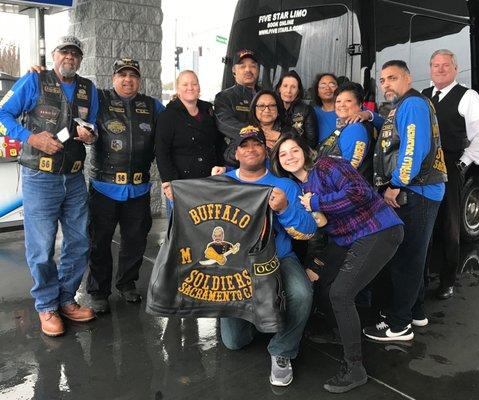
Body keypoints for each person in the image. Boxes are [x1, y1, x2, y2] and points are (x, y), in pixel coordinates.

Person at [271, 133, 404, 393]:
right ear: (278, 161)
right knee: (322, 283)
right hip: (345, 239)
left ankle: (355, 368)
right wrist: (316, 264)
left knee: (341, 294)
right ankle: (338, 333)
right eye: (283, 154)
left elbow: (360, 192)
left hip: (377, 229)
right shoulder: (298, 188)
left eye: (294, 150)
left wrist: (317, 202)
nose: (289, 156)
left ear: (305, 150)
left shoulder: (328, 165)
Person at [0, 35, 98, 336]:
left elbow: (91, 126)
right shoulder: (34, 80)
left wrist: (90, 137)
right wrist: (31, 138)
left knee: (79, 242)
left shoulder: (88, 88)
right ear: (55, 55)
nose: (70, 57)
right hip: (40, 178)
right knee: (41, 247)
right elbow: (2, 113)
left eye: (75, 53)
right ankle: (46, 305)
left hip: (75, 177)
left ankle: (67, 300)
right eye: (64, 52)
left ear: (80, 59)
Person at [211, 126, 317, 387]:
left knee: (302, 293)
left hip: (279, 257)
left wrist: (283, 210)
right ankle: (260, 321)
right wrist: (174, 196)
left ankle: (282, 350)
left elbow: (309, 230)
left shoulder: (285, 186)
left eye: (256, 144)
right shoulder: (220, 183)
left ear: (266, 150)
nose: (251, 149)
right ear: (236, 152)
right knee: (234, 342)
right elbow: (196, 220)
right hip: (236, 265)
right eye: (244, 145)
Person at [363, 60, 447, 341]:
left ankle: (399, 325)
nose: (386, 84)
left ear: (408, 78)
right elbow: (395, 132)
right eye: (383, 80)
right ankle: (416, 312)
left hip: (416, 191)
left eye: (392, 78)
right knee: (416, 256)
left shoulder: (412, 104)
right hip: (420, 191)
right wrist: (370, 117)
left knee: (406, 258)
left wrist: (395, 185)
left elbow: (413, 149)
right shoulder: (405, 107)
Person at [86, 58, 165, 313]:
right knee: (99, 241)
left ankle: (127, 283)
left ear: (139, 80)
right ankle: (99, 291)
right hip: (103, 187)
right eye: (122, 74)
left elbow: (173, 127)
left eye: (133, 75)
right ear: (113, 78)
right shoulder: (99, 99)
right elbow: (71, 93)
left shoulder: (152, 106)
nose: (127, 79)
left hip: (138, 189)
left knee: (136, 240)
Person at [422, 49, 479, 300]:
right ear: (429, 69)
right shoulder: (424, 95)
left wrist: (462, 164)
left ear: (455, 69)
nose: (440, 69)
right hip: (424, 167)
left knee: (449, 226)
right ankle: (424, 275)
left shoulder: (468, 97)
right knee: (424, 224)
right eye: (435, 65)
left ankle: (447, 280)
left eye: (445, 65)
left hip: (451, 165)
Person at [155, 70, 226, 218]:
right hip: (181, 185)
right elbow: (162, 152)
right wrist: (168, 183)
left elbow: (219, 143)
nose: (190, 87)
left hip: (210, 182)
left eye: (194, 84)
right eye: (185, 84)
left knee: (206, 228)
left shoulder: (209, 112)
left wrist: (222, 165)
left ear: (199, 88)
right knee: (180, 233)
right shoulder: (167, 116)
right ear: (178, 89)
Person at [317, 82, 375, 182]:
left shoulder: (355, 129)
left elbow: (348, 172)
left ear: (360, 104)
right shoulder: (344, 127)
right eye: (338, 101)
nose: (342, 105)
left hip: (349, 194)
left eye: (348, 101)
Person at [214, 49, 260, 167]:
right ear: (234, 70)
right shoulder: (224, 97)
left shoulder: (267, 95)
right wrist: (259, 134)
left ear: (258, 69)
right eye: (242, 66)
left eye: (252, 66)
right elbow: (224, 123)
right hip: (236, 162)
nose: (248, 70)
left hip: (265, 160)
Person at [274, 70, 318, 148]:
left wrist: (281, 136)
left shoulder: (306, 110)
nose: (288, 91)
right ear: (279, 88)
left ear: (298, 91)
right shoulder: (271, 108)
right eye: (285, 86)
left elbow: (311, 143)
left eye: (293, 87)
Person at [312, 73, 339, 144]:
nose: (327, 88)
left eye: (332, 85)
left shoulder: (347, 108)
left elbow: (371, 115)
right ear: (317, 92)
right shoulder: (312, 112)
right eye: (322, 85)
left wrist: (368, 114)